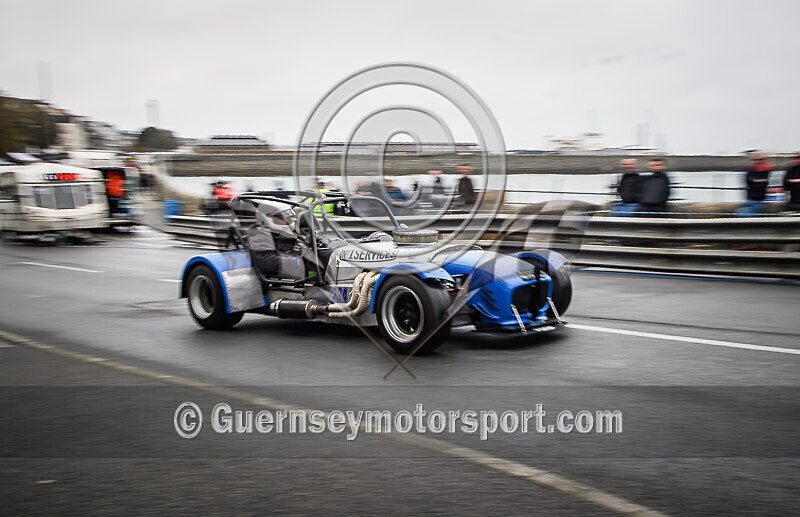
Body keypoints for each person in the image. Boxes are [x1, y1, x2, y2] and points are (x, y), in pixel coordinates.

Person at [247, 202, 306, 279]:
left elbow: (302, 243)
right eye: (281, 218)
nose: (286, 221)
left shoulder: (282, 233)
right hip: (274, 280)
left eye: (288, 218)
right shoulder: (258, 234)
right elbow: (265, 262)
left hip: (291, 274)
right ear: (266, 219)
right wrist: (297, 262)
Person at [738, 152, 773, 217]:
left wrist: (755, 181)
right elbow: (748, 181)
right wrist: (757, 181)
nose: (758, 161)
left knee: (749, 214)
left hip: (759, 199)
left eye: (760, 159)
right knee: (741, 212)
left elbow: (764, 183)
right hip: (750, 197)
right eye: (756, 160)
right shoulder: (750, 169)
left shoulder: (766, 170)